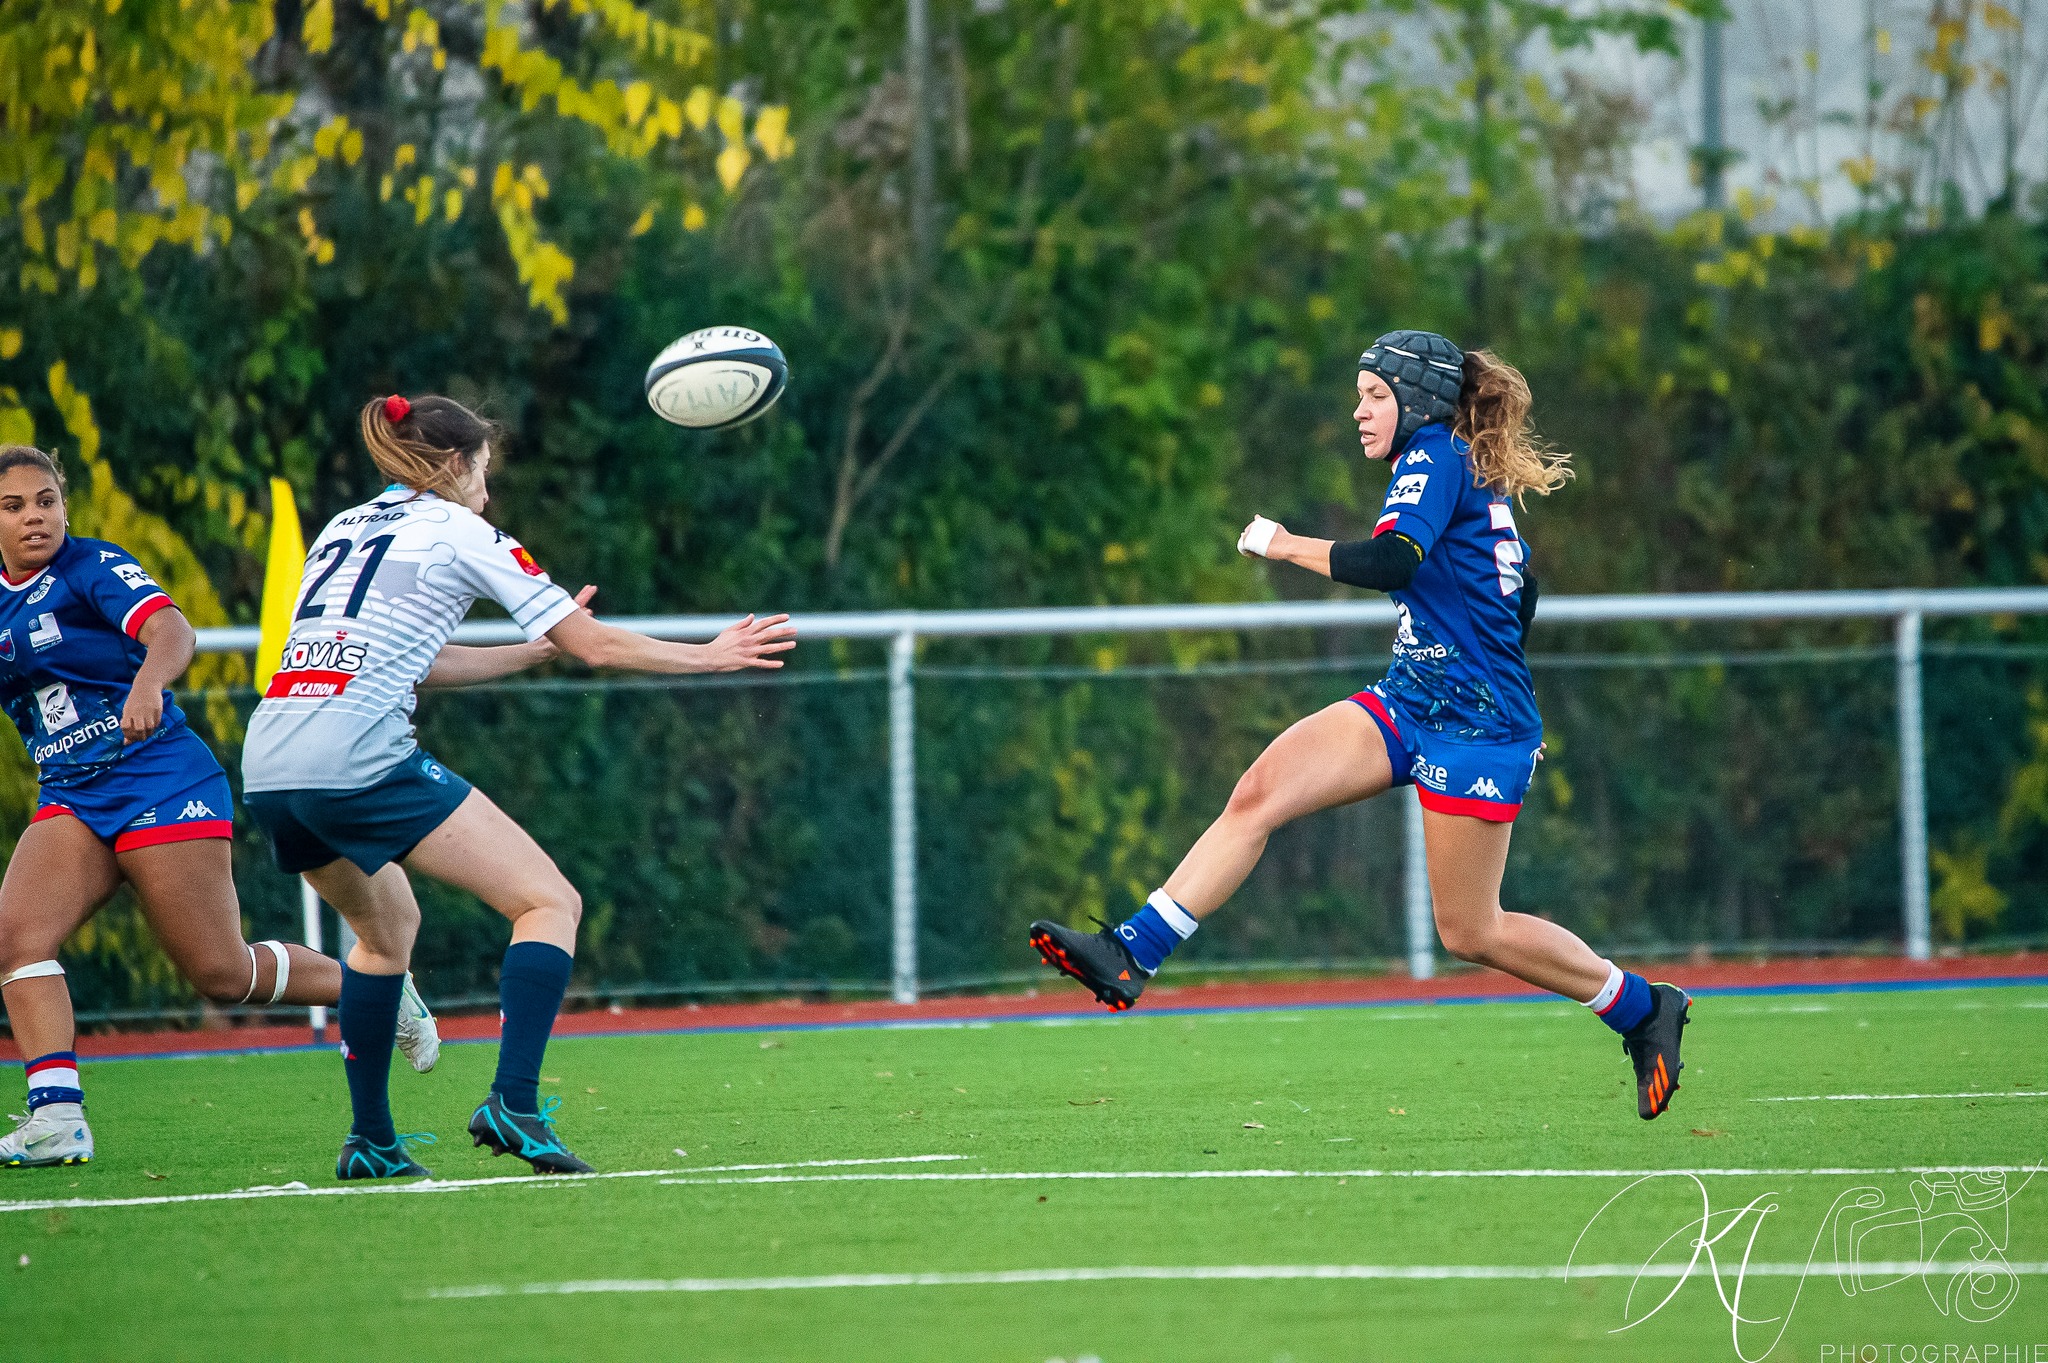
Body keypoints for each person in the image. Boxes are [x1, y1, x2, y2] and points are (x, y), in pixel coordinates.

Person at [1029, 332, 1692, 1121]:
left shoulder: (1433, 455)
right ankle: (1131, 951)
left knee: (1472, 929)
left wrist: (1282, 544)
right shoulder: (1452, 462)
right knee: (1260, 791)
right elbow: (1519, 596)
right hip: (1413, 697)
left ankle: (1643, 1005)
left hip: (1475, 724)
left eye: (1374, 394)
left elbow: (1394, 560)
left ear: (1414, 400)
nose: (1359, 410)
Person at [241, 394, 797, 1181]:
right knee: (548, 901)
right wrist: (710, 655)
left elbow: (416, 661)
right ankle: (515, 1103)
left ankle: (370, 1139)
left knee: (386, 930)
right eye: (485, 472)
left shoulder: (345, 526)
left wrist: (530, 654)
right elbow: (597, 645)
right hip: (355, 756)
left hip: (270, 759)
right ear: (458, 464)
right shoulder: (463, 531)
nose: (489, 492)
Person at [0, 445, 440, 1169]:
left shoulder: (91, 567)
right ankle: (57, 1117)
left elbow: (173, 630)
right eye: (15, 506)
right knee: (17, 938)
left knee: (221, 974)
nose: (34, 517)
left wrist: (147, 683)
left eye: (45, 500)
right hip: (73, 792)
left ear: (64, 506)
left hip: (157, 778)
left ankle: (381, 990)